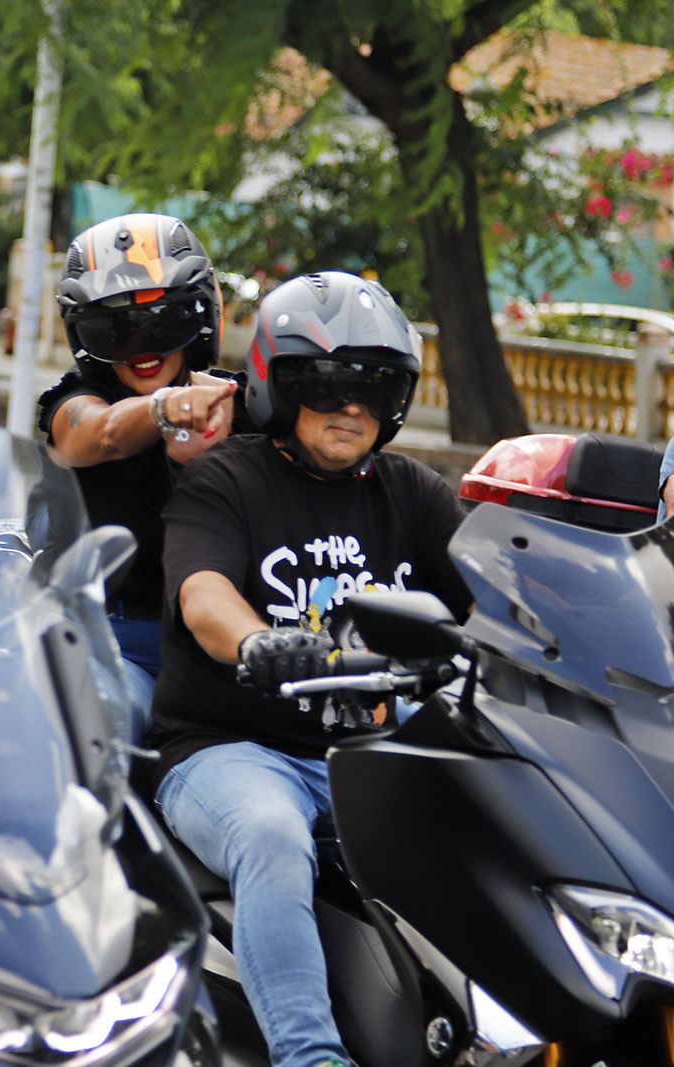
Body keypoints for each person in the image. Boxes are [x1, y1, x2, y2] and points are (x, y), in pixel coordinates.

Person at [150, 271, 472, 1067]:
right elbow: (204, 597)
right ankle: (309, 1055)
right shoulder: (225, 481)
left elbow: (494, 596)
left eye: (373, 386)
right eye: (327, 383)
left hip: (376, 754)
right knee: (268, 832)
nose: (351, 405)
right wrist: (262, 640)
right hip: (228, 749)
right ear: (278, 384)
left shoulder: (414, 493)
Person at [36, 213, 238, 739]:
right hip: (110, 638)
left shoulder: (245, 405)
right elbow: (94, 435)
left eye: (164, 322)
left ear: (200, 317)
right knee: (107, 718)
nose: (143, 346)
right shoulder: (72, 404)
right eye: (117, 330)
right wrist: (165, 409)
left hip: (228, 644)